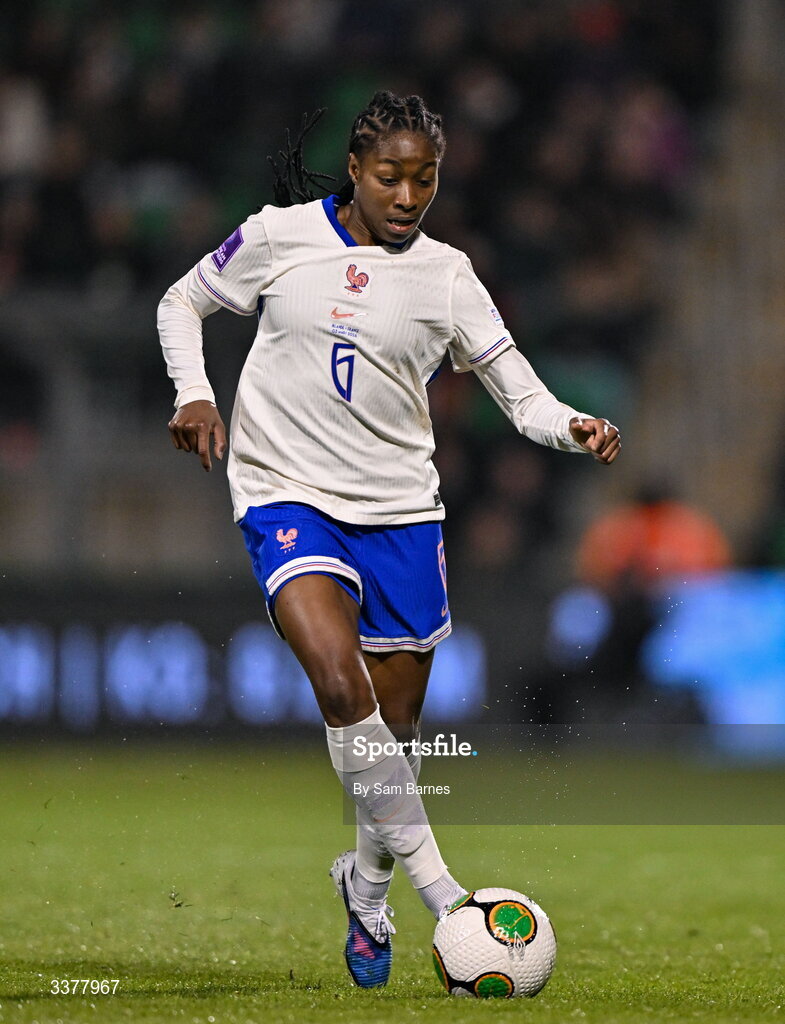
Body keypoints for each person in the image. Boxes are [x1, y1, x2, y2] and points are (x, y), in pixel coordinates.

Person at [157, 91, 620, 988]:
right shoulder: (279, 236)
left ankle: (364, 887)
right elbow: (182, 302)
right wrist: (193, 391)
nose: (408, 195)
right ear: (358, 169)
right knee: (340, 685)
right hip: (284, 494)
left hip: (401, 513)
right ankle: (448, 900)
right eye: (390, 177)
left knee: (393, 735)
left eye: (426, 179)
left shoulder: (448, 274)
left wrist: (573, 427)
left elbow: (520, 395)